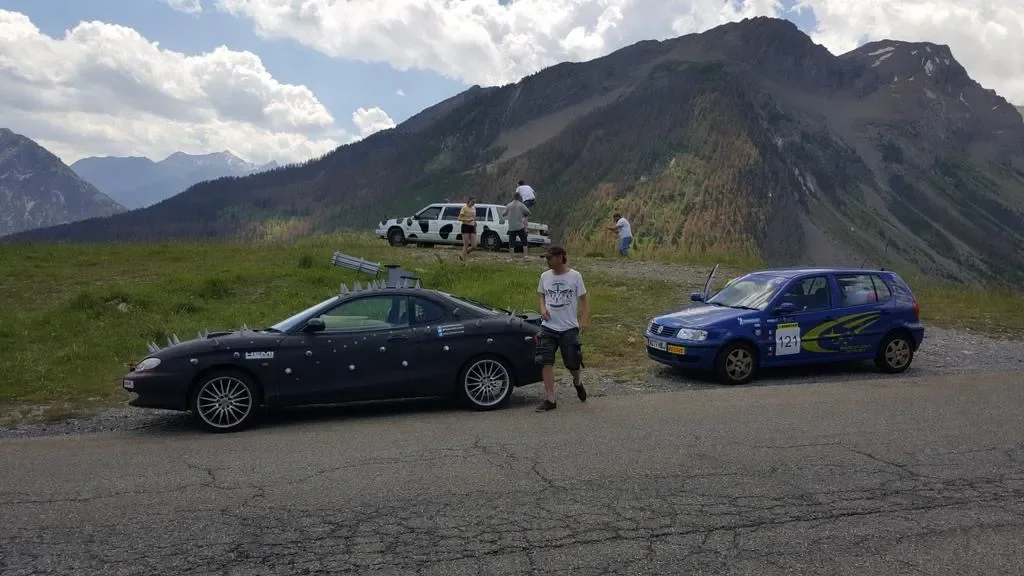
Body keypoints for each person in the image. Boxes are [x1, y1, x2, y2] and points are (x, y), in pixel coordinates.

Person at [535, 245, 589, 412]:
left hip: (568, 327)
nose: (547, 261)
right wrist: (543, 308)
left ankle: (577, 381)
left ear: (560, 257)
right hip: (548, 327)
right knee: (545, 360)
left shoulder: (575, 276)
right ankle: (550, 399)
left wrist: (584, 320)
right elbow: (542, 296)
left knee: (572, 362)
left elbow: (584, 300)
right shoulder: (544, 276)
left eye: (549, 258)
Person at [503, 191, 531, 256]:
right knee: (524, 241)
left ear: (514, 197)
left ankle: (511, 256)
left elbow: (503, 214)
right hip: (520, 226)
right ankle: (525, 255)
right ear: (519, 197)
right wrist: (524, 214)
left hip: (511, 226)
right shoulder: (521, 205)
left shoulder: (509, 205)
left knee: (511, 242)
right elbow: (528, 212)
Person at [458, 196, 477, 261]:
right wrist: (467, 220)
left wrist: (475, 222)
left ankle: (464, 253)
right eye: (473, 202)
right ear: (469, 201)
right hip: (465, 226)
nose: (473, 203)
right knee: (466, 244)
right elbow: (459, 218)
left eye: (474, 202)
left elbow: (473, 217)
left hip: (472, 226)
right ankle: (463, 259)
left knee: (474, 246)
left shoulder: (474, 208)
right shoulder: (464, 208)